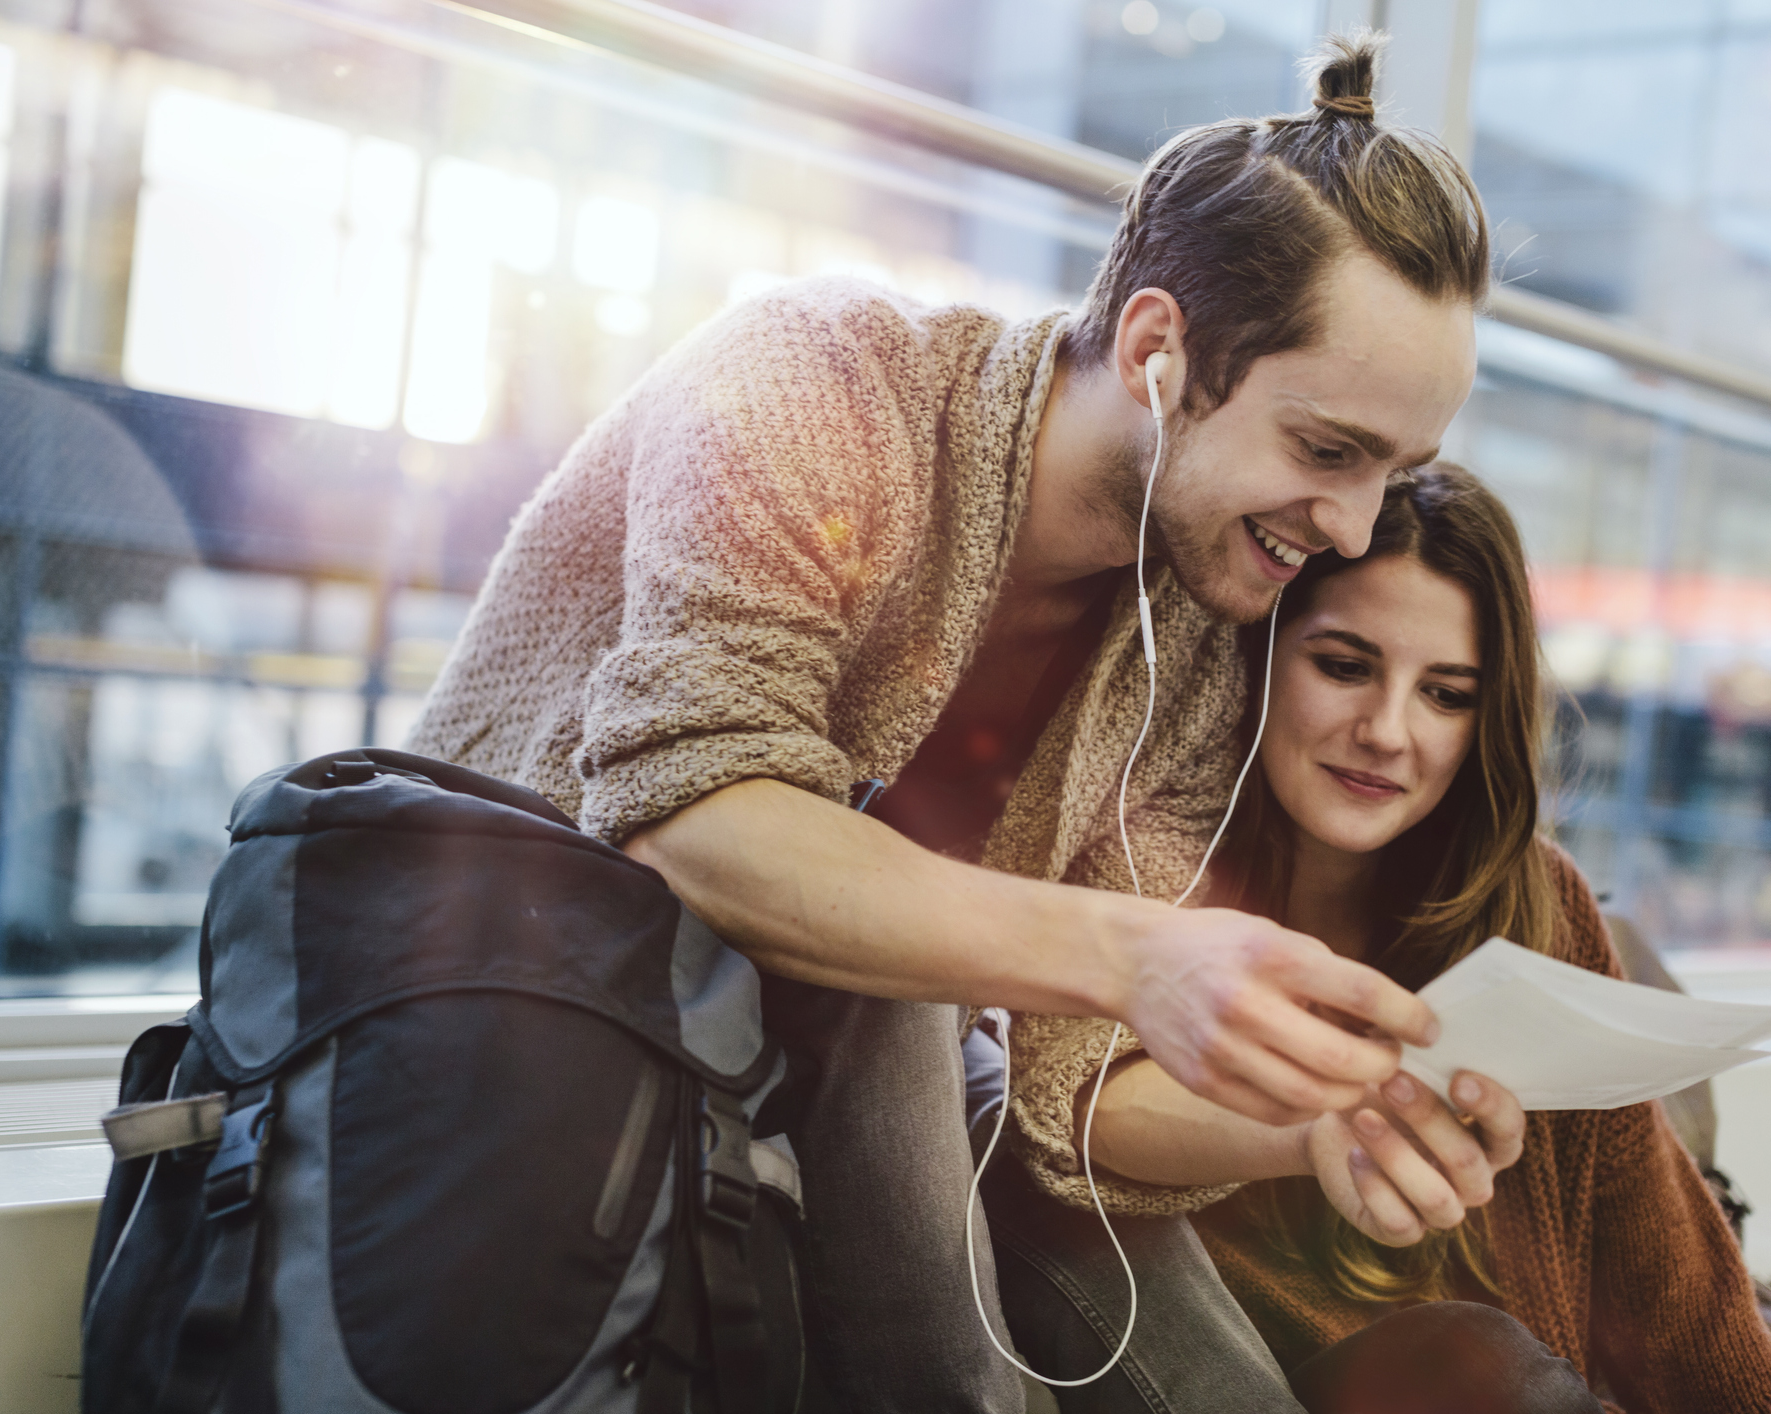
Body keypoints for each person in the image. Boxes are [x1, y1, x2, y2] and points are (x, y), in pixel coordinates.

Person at [410, 32, 1485, 1411]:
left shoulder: (1205, 625)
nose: (1347, 526)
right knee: (897, 994)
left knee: (1214, 1387)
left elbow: (1067, 1087)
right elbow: (695, 817)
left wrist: (1316, 1116)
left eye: (1396, 472)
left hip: (862, 1072)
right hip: (531, 1000)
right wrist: (1131, 950)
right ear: (1159, 350)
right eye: (1326, 450)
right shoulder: (813, 380)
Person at [1025, 463, 1771, 1413]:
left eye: (1447, 694)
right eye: (1342, 666)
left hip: (1541, 1383)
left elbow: (1669, 1282)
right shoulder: (1152, 863)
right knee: (1476, 1363)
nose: (1387, 732)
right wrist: (1316, 1125)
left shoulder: (1532, 898)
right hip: (1335, 1382)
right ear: (1258, 658)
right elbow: (1062, 1099)